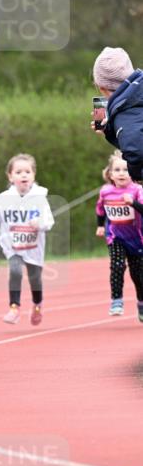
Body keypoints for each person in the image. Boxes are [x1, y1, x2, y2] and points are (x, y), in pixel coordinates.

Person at [0, 154, 54, 325]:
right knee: (15, 271)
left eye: (27, 171)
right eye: (18, 172)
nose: (23, 175)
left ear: (33, 175)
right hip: (12, 246)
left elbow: (49, 222)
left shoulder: (40, 198)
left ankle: (37, 305)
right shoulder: (2, 199)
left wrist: (39, 224)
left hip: (34, 247)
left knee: (35, 279)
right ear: (10, 176)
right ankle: (14, 307)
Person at [95, 153, 143, 320]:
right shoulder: (106, 192)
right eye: (117, 170)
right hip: (115, 236)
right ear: (110, 174)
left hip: (137, 239)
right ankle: (116, 300)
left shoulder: (137, 190)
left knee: (138, 276)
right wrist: (100, 226)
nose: (121, 173)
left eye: (126, 169)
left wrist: (133, 203)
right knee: (117, 265)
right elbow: (100, 209)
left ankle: (141, 302)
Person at [92, 47, 143, 182]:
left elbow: (135, 152)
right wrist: (111, 130)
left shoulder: (124, 115)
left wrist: (136, 176)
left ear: (101, 87)